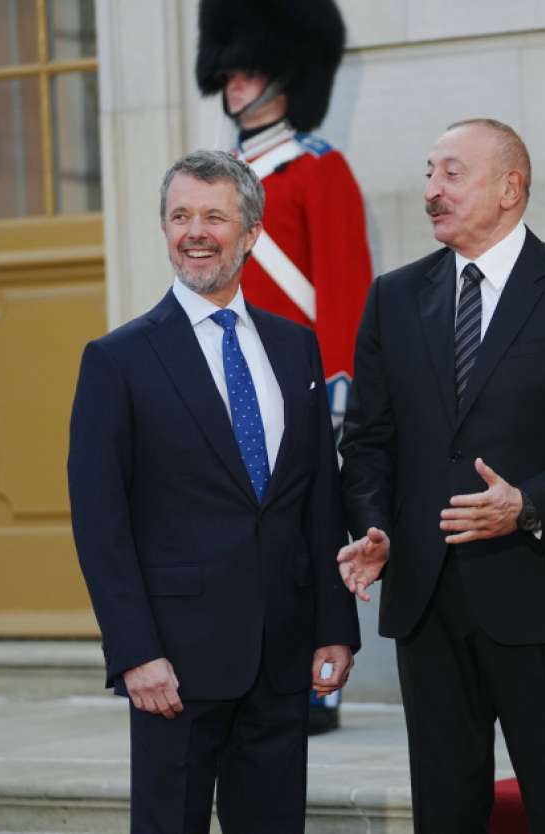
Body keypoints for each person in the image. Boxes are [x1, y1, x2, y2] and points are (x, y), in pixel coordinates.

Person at [336, 118, 545, 834]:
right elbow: (368, 441)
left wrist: (528, 503)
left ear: (509, 187)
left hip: (541, 600)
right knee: (445, 813)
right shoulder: (393, 297)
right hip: (427, 606)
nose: (431, 191)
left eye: (451, 173)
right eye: (428, 173)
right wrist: (373, 527)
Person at [67, 149, 360, 834]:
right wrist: (135, 652)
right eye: (180, 217)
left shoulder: (296, 348)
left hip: (281, 660)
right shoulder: (117, 361)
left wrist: (334, 628)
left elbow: (318, 499)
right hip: (174, 668)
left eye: (213, 217)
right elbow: (101, 525)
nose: (194, 232)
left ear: (251, 232)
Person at [196, 0, 373, 732]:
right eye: (229, 71)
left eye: (250, 69)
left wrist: (338, 389)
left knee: (311, 535)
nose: (234, 83)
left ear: (285, 75)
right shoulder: (216, 179)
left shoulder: (318, 169)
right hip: (226, 378)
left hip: (298, 383)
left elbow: (345, 286)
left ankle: (319, 683)